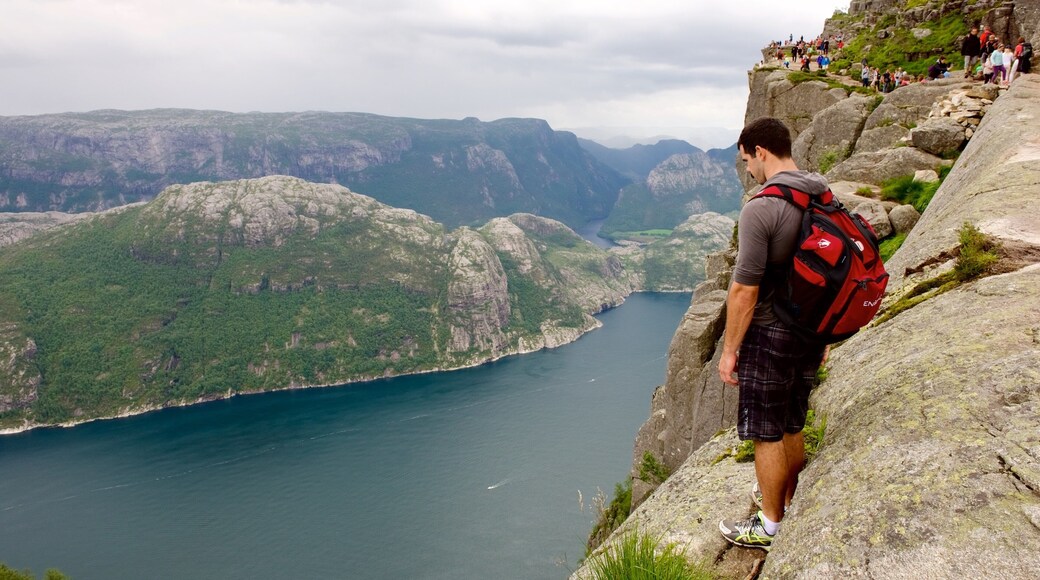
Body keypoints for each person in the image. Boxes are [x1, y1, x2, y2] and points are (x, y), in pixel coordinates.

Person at [717, 117, 829, 551]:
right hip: (809, 330)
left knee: (765, 430)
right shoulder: (820, 191)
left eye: (746, 160)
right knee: (792, 421)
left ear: (760, 151)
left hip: (770, 333)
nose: (748, 169)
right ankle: (785, 498)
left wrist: (729, 352)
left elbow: (744, 289)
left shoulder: (762, 207)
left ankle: (768, 525)